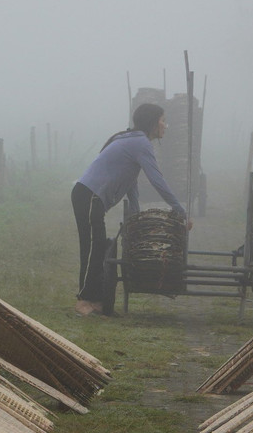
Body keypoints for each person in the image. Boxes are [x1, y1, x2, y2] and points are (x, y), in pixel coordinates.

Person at [72, 102, 192, 316]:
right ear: (153, 123)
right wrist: (180, 211)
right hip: (89, 195)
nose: (166, 125)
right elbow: (158, 181)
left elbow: (131, 183)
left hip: (90, 196)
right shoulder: (140, 143)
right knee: (92, 246)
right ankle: (83, 301)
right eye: (163, 120)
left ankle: (96, 301)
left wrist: (136, 219)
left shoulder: (133, 141)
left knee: (98, 245)